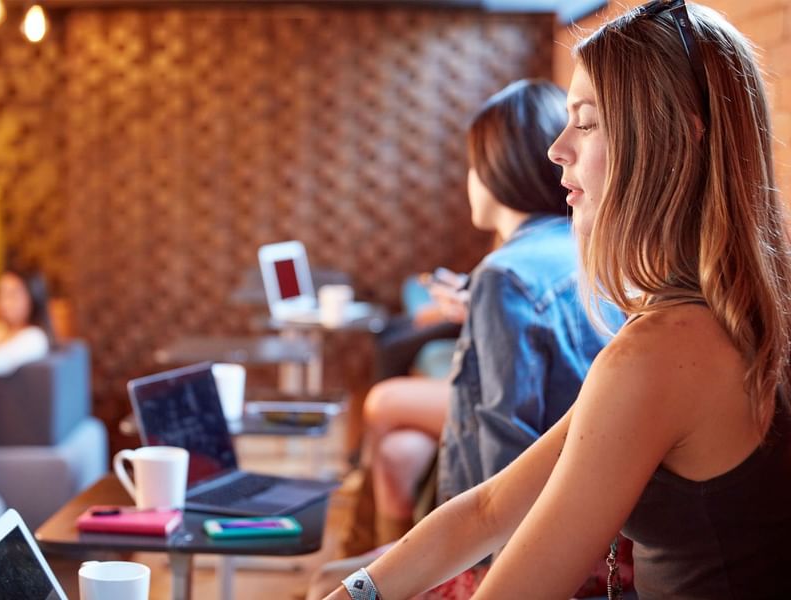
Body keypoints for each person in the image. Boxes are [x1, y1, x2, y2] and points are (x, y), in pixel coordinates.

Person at [323, 1, 791, 599]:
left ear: (675, 137)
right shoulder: (730, 312)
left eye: (587, 121)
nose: (557, 149)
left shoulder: (664, 351)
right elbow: (490, 507)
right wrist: (355, 593)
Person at [313, 78, 622, 599]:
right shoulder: (589, 245)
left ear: (498, 170)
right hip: (595, 517)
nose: (469, 181)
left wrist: (486, 580)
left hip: (531, 536)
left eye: (472, 166)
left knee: (329, 579)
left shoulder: (504, 275)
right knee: (399, 449)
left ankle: (367, 539)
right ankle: (376, 539)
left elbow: (505, 451)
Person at [0, 266, 52, 378]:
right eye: (1, 294)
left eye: (12, 295)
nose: (4, 302)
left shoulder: (35, 337)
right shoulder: (0, 329)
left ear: (32, 298)